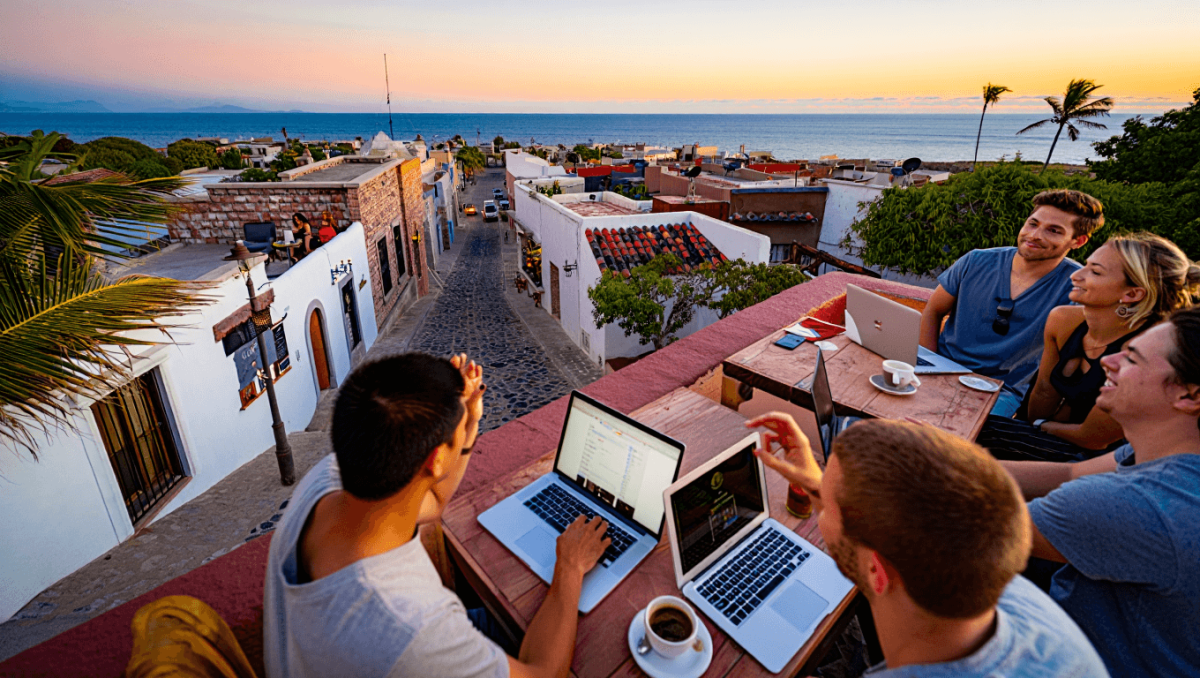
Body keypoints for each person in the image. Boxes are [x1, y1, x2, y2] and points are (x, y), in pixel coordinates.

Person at [263, 353, 610, 678]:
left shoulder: (331, 477)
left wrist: (466, 421)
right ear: (434, 460)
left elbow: (431, 503)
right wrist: (570, 566)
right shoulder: (411, 626)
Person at [749, 414, 1108, 677]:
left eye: (827, 508)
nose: (820, 513)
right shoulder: (999, 586)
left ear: (876, 571)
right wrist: (822, 486)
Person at [1000, 307, 1200, 678]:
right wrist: (945, 459)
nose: (1108, 361)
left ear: (1189, 395)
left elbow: (968, 524)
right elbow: (1071, 472)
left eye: (1132, 357)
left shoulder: (1142, 504)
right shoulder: (1170, 451)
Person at [978, 232, 1200, 461]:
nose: (1076, 275)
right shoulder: (1063, 320)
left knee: (981, 436)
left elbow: (1094, 437)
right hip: (1050, 431)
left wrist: (1038, 427)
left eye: (1095, 272)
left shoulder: (1144, 350)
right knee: (977, 428)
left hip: (1102, 458)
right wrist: (1024, 431)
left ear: (1132, 294)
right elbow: (1044, 390)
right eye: (1086, 265)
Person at [920, 189, 1103, 415]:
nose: (1035, 235)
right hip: (942, 368)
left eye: (1054, 231)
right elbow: (933, 311)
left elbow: (1072, 362)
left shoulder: (1077, 288)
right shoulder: (976, 260)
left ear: (1078, 241)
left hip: (1000, 392)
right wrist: (927, 366)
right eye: (1033, 224)